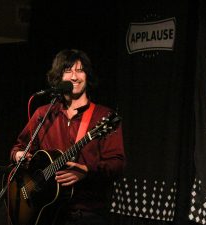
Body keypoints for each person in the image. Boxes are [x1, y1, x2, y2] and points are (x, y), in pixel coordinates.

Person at [10, 49, 125, 225]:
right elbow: (19, 147)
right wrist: (19, 155)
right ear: (58, 78)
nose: (74, 77)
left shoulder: (102, 116)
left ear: (87, 76)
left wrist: (86, 171)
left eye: (80, 70)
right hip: (45, 211)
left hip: (86, 213)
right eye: (68, 70)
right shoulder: (44, 114)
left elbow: (117, 163)